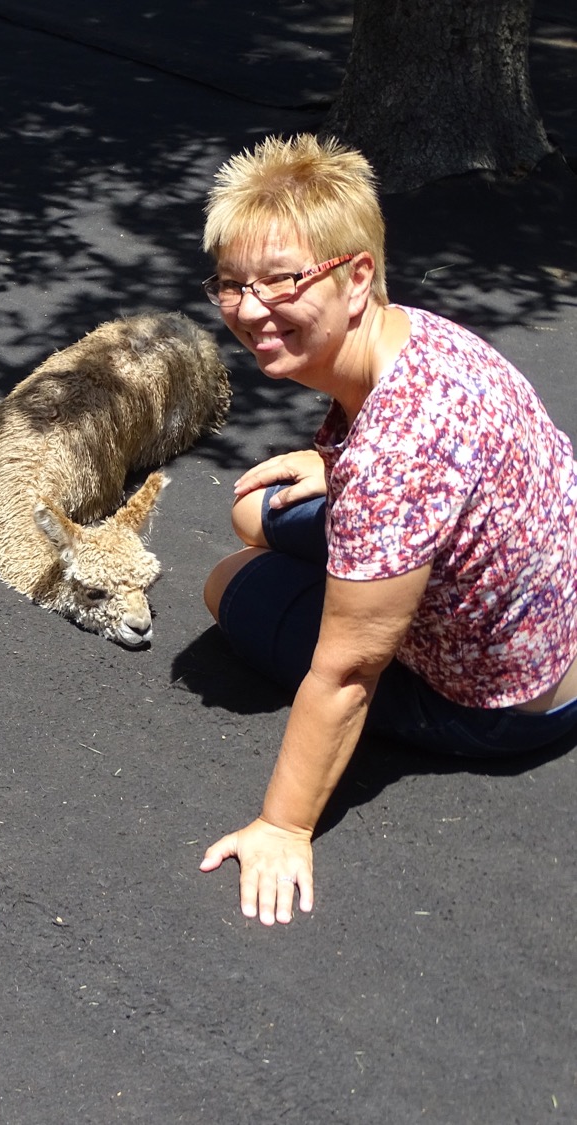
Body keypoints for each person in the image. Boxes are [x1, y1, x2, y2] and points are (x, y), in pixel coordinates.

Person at [194, 134, 577, 925]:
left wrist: (283, 826)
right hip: (554, 620)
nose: (251, 309)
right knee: (251, 510)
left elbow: (348, 673)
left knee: (227, 580)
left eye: (283, 280)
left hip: (506, 704)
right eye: (232, 284)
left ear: (357, 276)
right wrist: (332, 462)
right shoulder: (421, 336)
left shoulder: (394, 463)